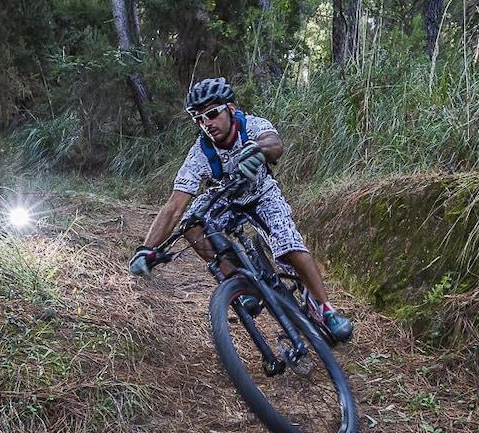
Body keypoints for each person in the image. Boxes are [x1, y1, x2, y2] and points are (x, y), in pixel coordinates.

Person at [127, 77, 354, 342]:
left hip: (262, 194)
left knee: (290, 246)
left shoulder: (253, 125)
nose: (206, 124)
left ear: (231, 109)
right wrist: (147, 248)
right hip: (225, 200)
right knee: (191, 223)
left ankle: (326, 309)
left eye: (212, 114)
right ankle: (238, 280)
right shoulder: (199, 152)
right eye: (199, 119)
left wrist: (257, 149)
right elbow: (175, 205)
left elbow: (275, 143)